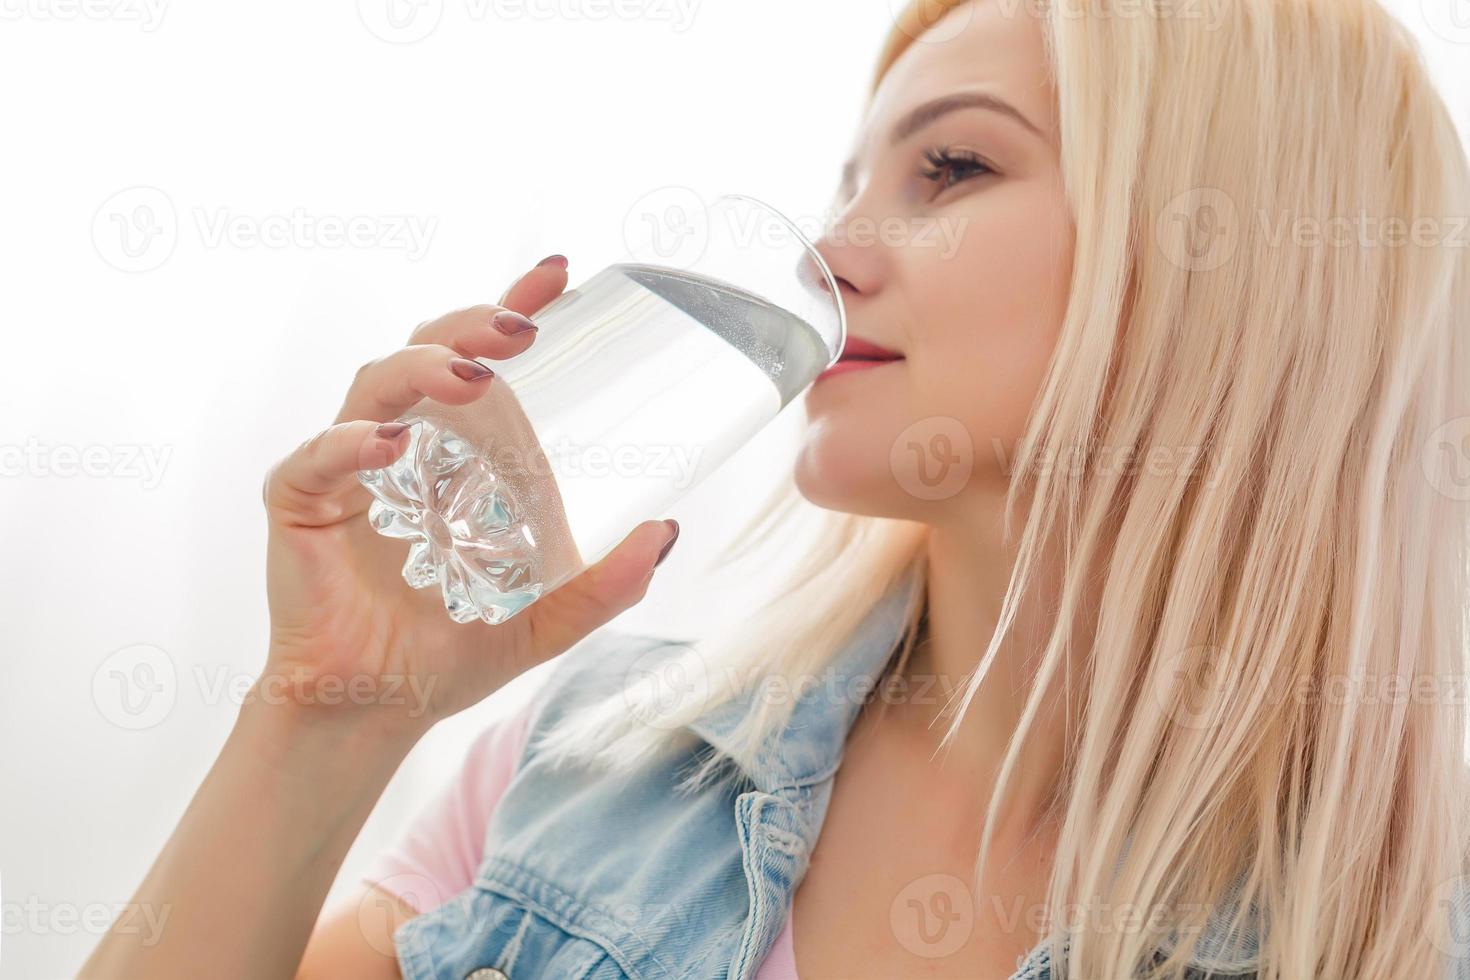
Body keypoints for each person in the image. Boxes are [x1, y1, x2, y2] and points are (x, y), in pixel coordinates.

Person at [82, 0, 1470, 977]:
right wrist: (330, 721)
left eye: (950, 167)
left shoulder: (1408, 930)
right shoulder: (591, 758)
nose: (832, 254)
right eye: (849, 184)